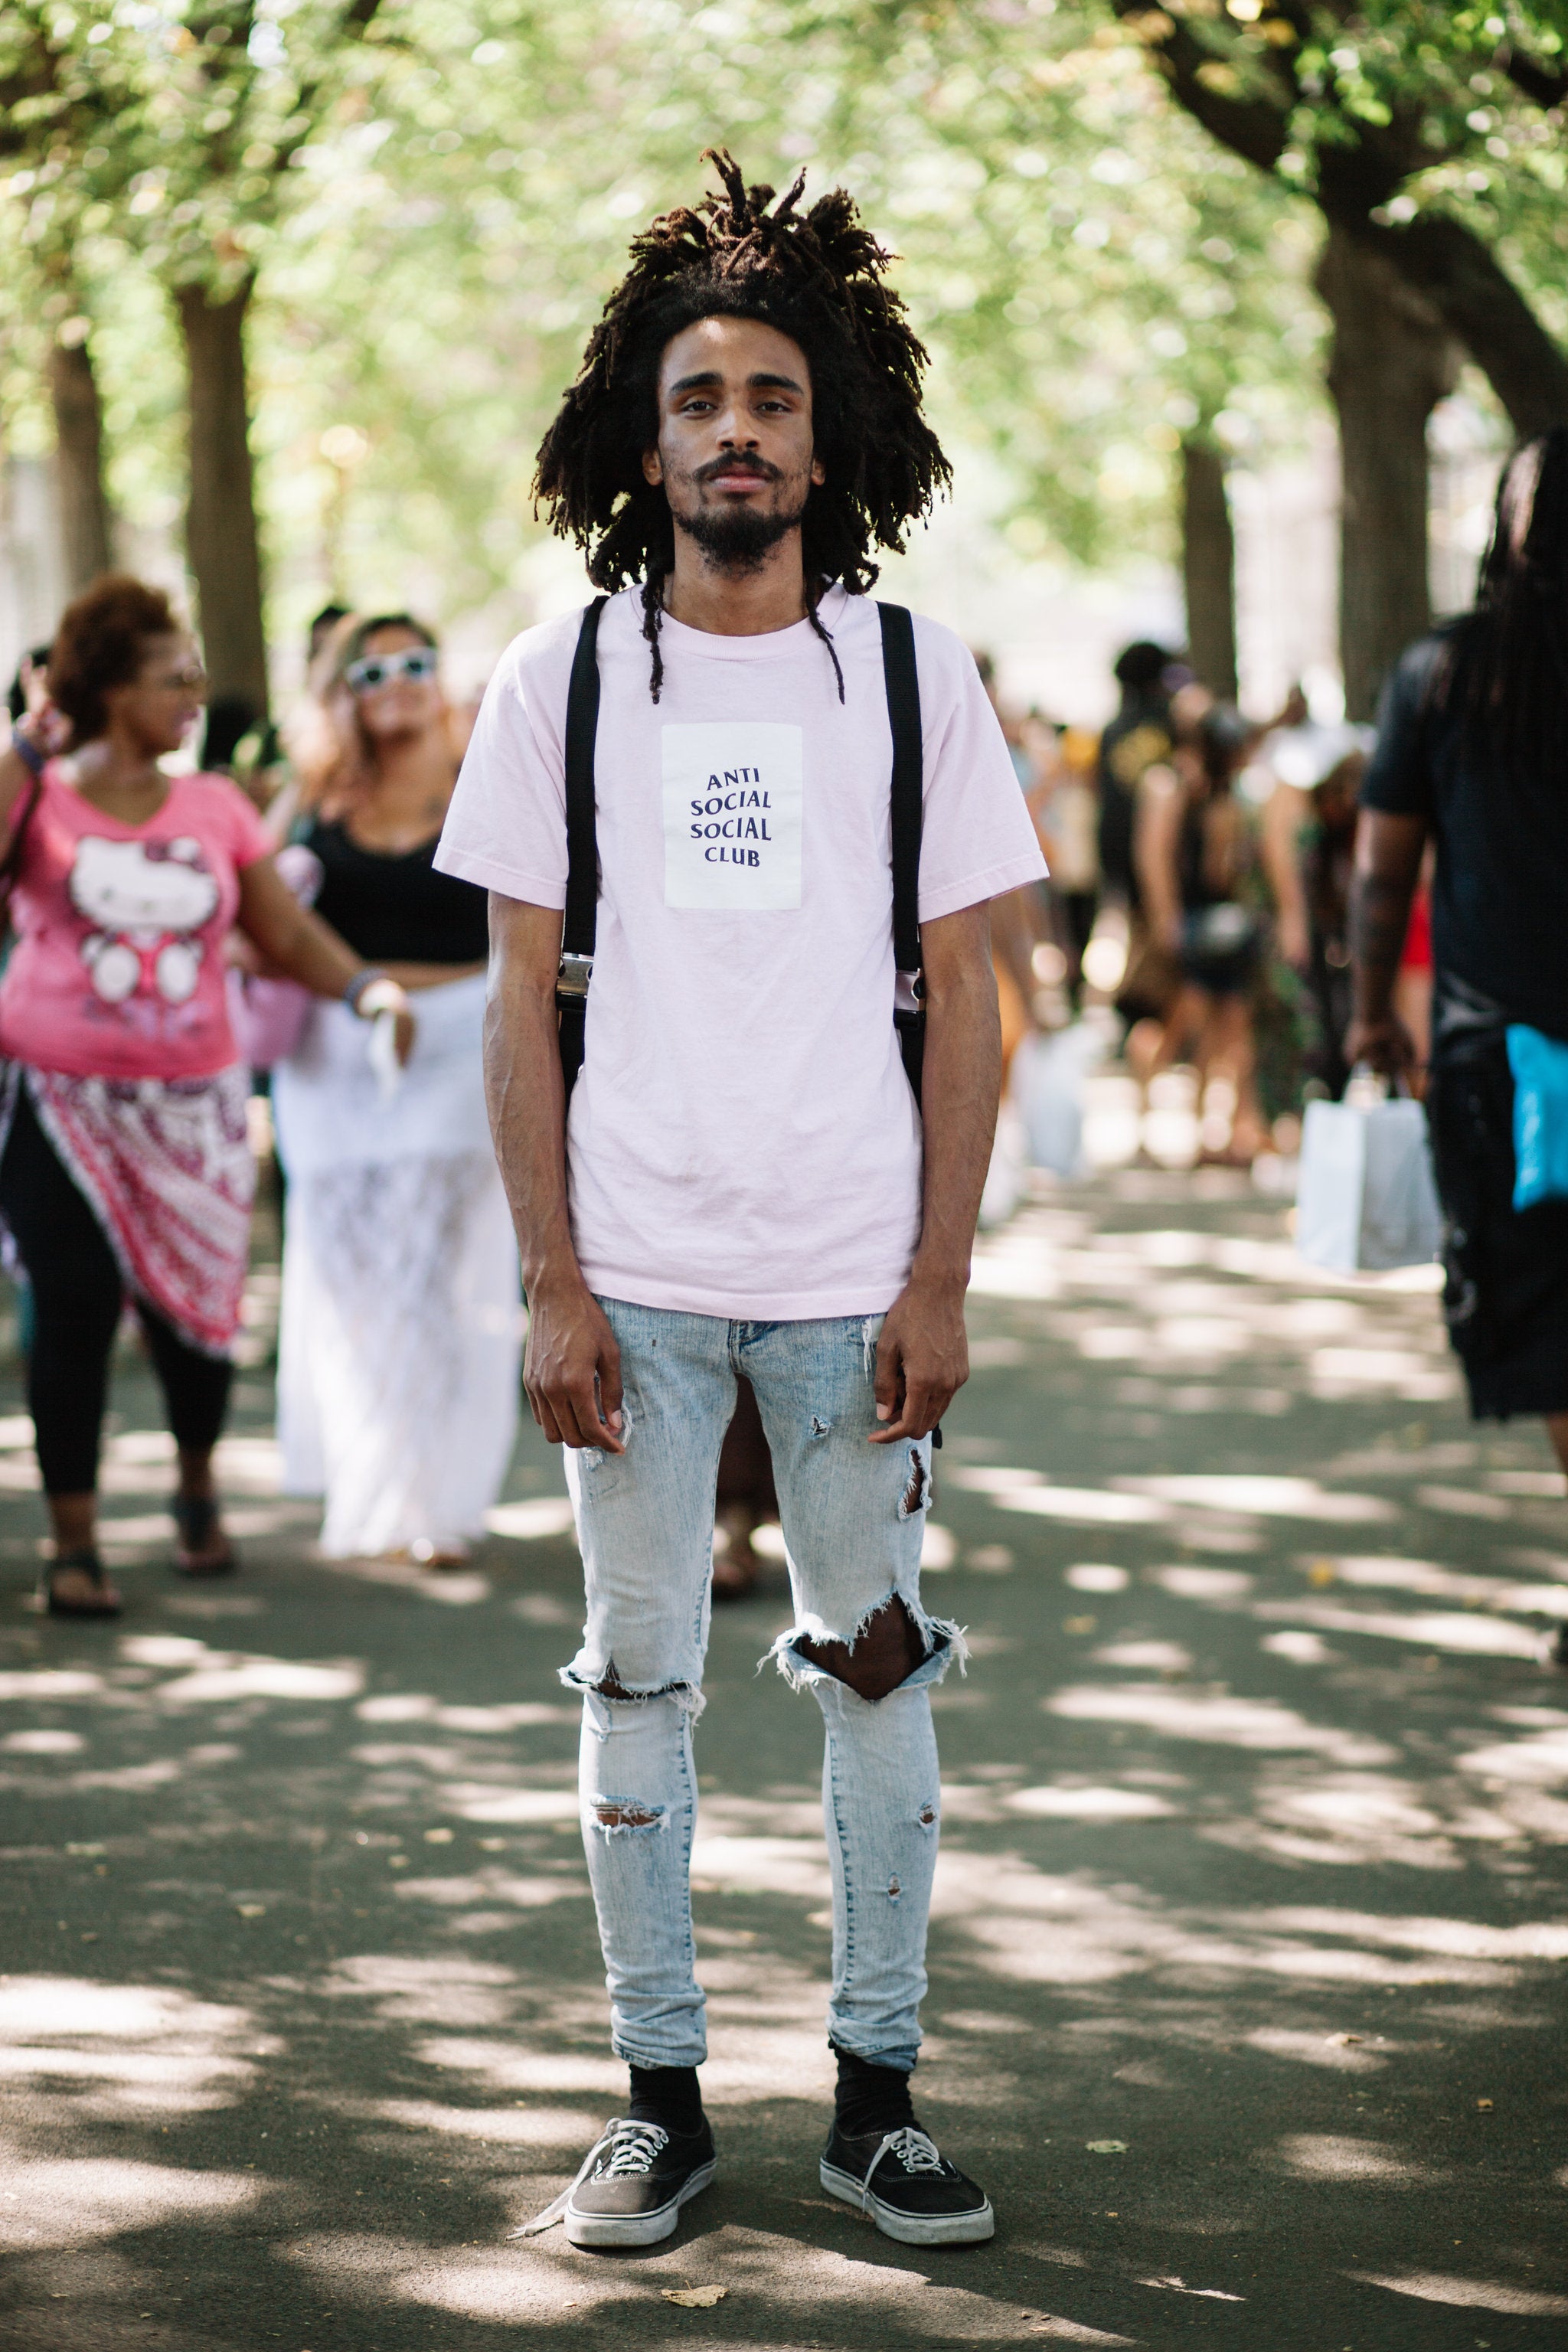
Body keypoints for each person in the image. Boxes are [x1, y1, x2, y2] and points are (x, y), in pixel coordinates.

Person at [437, 154, 1045, 2251]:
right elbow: (515, 1001)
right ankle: (656, 2096)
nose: (734, 433)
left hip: (856, 1288)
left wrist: (944, 1274)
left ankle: (876, 2095)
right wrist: (552, 1283)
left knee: (878, 1674)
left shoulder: (914, 677)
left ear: (832, 431)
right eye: (699, 399)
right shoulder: (563, 681)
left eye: (774, 399)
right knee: (633, 1687)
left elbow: (974, 994)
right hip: (637, 1281)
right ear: (646, 434)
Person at [0, 574, 413, 1617]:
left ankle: (193, 1487)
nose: (193, 693)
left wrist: (364, 986)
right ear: (106, 684)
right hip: (61, 1099)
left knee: (198, 1322)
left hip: (197, 1104)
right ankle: (76, 1539)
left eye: (194, 673)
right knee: (73, 1310)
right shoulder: (36, 790)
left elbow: (282, 931)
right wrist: (28, 748)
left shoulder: (215, 804)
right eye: (167, 676)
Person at [1348, 432, 1568, 1611]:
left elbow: (1386, 878)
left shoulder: (1449, 671)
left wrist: (1373, 1013)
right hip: (1505, 1070)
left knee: (1545, 1326)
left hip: (1506, 1076)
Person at [270, 612, 520, 1566]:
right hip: (337, 1063)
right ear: (345, 690)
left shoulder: (485, 781)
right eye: (373, 671)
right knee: (354, 1281)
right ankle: (370, 1477)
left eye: (416, 663)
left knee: (441, 1274)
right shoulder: (312, 800)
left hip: (460, 1045)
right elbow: (250, 895)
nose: (399, 683)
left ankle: (431, 1499)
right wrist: (297, 781)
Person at [1135, 700, 1270, 1163]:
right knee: (1181, 1024)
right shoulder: (1171, 787)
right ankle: (1148, 1124)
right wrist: (1165, 921)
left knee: (1228, 1028)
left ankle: (1218, 1132)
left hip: (1221, 926)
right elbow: (1154, 857)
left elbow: (1225, 868)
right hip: (1188, 926)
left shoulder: (1224, 795)